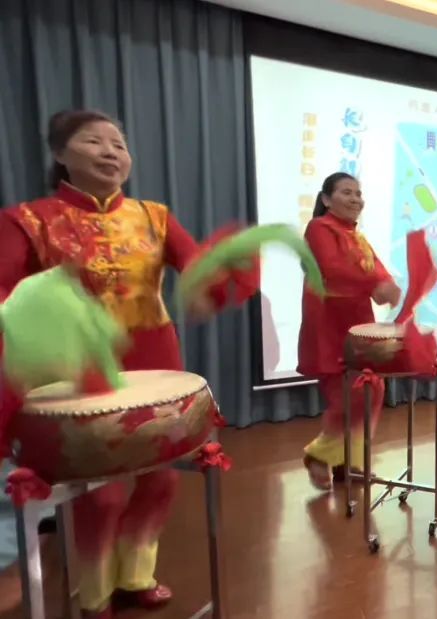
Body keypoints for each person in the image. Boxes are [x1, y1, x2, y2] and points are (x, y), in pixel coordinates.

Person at [0, 109, 256, 618]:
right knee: (101, 494)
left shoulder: (154, 216)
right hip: (78, 368)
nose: (110, 152)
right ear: (60, 154)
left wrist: (211, 283)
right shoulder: (29, 220)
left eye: (118, 143)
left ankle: (137, 574)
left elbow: (198, 267)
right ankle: (94, 591)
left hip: (156, 360)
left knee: (161, 479)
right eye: (93, 141)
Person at [298, 172, 402, 491]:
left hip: (358, 322)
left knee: (370, 388)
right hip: (329, 322)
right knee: (346, 393)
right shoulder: (319, 228)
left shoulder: (357, 236)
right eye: (347, 192)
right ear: (326, 199)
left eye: (358, 193)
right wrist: (375, 285)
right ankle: (320, 455)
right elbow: (333, 269)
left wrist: (387, 285)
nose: (356, 199)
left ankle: (348, 465)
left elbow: (376, 269)